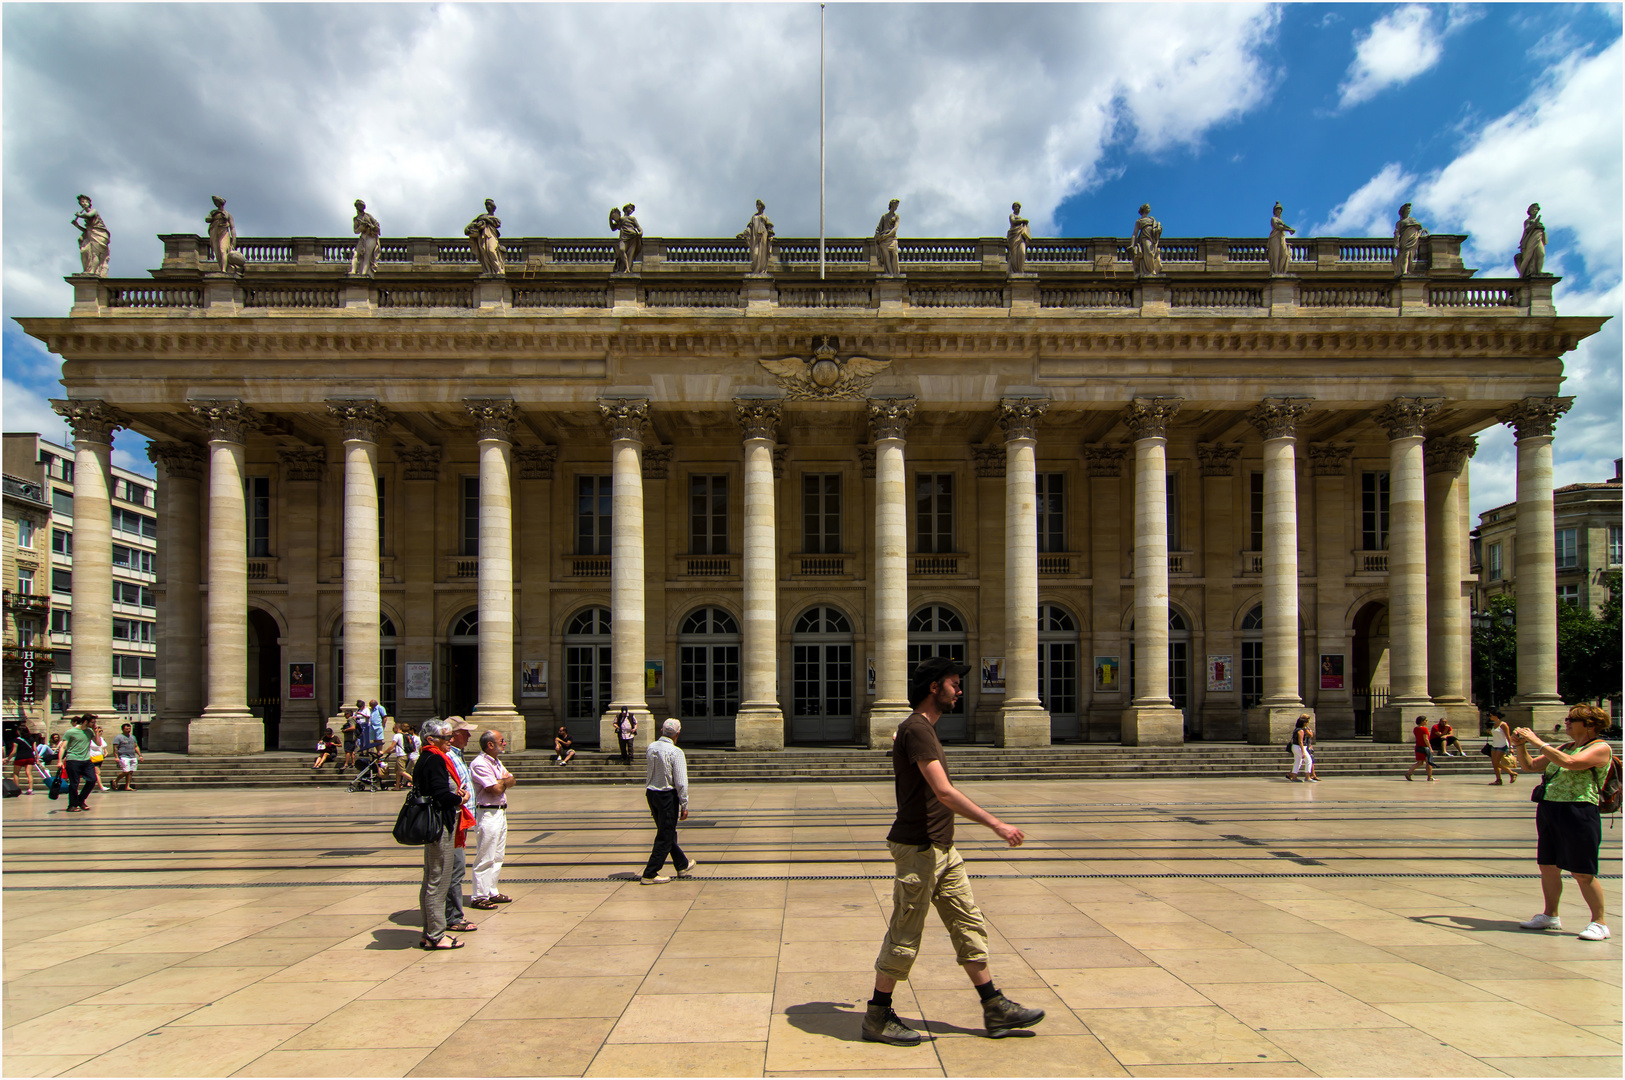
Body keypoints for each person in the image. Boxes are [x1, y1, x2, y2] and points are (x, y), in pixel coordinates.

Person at [865, 656, 1044, 1046]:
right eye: (953, 683)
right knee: (905, 933)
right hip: (919, 849)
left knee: (968, 923)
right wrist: (997, 824)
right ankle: (877, 1015)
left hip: (942, 848)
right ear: (934, 688)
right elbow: (943, 791)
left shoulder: (919, 729)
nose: (959, 690)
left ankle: (994, 1006)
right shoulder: (917, 729)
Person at [1512, 704, 1614, 941]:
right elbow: (1529, 766)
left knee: (1582, 870)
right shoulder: (1566, 747)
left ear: (1590, 725)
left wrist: (1537, 741)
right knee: (1548, 866)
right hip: (1550, 808)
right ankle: (1550, 915)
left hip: (1579, 810)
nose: (1566, 722)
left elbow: (1570, 763)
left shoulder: (1600, 748)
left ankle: (1599, 922)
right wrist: (1520, 745)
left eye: (1572, 719)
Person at [412, 719, 473, 950]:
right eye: (446, 738)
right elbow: (440, 795)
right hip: (441, 825)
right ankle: (436, 935)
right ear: (431, 740)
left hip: (434, 823)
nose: (450, 741)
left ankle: (428, 932)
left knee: (431, 878)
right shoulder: (435, 758)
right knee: (439, 880)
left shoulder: (425, 758)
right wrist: (460, 798)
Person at [641, 718, 696, 884]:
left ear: (661, 732)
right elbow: (681, 782)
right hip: (666, 795)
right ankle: (650, 873)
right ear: (678, 734)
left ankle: (682, 864)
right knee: (665, 836)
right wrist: (684, 804)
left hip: (651, 793)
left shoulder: (651, 747)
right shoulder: (675, 752)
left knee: (667, 832)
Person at [468, 729, 516, 911]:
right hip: (487, 813)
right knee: (485, 855)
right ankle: (479, 895)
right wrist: (503, 782)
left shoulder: (495, 762)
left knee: (497, 855)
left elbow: (512, 780)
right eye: (501, 740)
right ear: (490, 744)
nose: (504, 743)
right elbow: (495, 789)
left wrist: (502, 782)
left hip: (500, 812)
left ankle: (491, 890)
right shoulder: (480, 763)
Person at [441, 718, 480, 935]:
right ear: (453, 734)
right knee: (453, 870)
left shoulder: (456, 755)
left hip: (460, 821)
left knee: (454, 869)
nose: (469, 736)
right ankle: (452, 917)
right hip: (452, 821)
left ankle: (449, 914)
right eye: (465, 732)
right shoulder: (447, 757)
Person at [61, 714, 97, 812]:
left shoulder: (89, 732)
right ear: (85, 721)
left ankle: (80, 800)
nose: (94, 724)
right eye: (92, 722)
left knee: (92, 780)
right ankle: (72, 805)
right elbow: (63, 746)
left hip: (86, 760)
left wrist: (96, 732)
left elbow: (98, 743)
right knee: (74, 783)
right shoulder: (70, 732)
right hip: (73, 760)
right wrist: (60, 761)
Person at [205, 195, 247, 273]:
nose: (216, 204)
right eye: (215, 202)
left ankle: (223, 270)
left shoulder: (228, 214)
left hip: (224, 232)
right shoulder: (213, 212)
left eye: (217, 202)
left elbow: (232, 228)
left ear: (221, 203)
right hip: (214, 232)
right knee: (217, 252)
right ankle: (222, 267)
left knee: (222, 250)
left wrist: (233, 240)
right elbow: (207, 219)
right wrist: (214, 217)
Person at [72, 195, 111, 276]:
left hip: (100, 234)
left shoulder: (93, 211)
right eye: (81, 202)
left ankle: (92, 272)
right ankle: (87, 270)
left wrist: (79, 215)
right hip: (92, 234)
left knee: (95, 253)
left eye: (84, 201)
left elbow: (89, 215)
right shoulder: (86, 215)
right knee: (84, 251)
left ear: (89, 202)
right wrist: (77, 225)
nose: (83, 203)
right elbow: (88, 231)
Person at [465, 198, 504, 276]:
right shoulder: (482, 216)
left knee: (491, 250)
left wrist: (486, 219)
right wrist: (467, 228)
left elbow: (497, 224)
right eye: (486, 205)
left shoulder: (495, 219)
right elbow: (473, 224)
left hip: (491, 236)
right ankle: (488, 270)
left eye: (489, 205)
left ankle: (497, 270)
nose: (488, 207)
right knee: (484, 251)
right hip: (483, 237)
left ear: (493, 207)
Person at [737, 199, 774, 274]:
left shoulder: (766, 217)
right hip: (755, 238)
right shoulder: (754, 217)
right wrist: (744, 233)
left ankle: (762, 270)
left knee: (762, 254)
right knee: (755, 254)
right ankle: (756, 270)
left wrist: (770, 236)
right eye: (757, 205)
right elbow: (749, 227)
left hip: (763, 237)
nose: (758, 206)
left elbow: (769, 228)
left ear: (762, 207)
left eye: (759, 205)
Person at [1393, 202, 1427, 276]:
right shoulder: (1399, 222)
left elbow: (1419, 225)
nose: (1409, 210)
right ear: (1403, 211)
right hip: (1404, 239)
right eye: (1407, 208)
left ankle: (1408, 270)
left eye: (1409, 209)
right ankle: (1404, 271)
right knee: (1405, 254)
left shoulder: (1412, 219)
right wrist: (1396, 242)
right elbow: (1396, 233)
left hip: (1413, 238)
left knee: (1411, 255)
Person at [350, 199, 381, 276]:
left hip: (371, 236)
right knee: (355, 254)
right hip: (363, 237)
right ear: (356, 207)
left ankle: (364, 274)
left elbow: (377, 225)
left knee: (367, 255)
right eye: (358, 205)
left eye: (361, 205)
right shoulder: (356, 218)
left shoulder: (368, 216)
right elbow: (355, 231)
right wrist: (360, 228)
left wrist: (371, 226)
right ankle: (353, 271)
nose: (360, 207)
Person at [6, 724, 39, 795]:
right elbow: (35, 749)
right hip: (30, 757)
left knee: (16, 773)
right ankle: (30, 789)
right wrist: (37, 758)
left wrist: (8, 759)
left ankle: (17, 789)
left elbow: (14, 752)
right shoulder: (32, 739)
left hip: (20, 757)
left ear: (19, 731)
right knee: (29, 773)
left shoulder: (16, 740)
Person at [1515, 203, 1545, 278]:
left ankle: (1539, 272)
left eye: (1536, 209)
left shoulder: (1537, 221)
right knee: (1530, 255)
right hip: (1531, 239)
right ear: (1530, 211)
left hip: (1538, 238)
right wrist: (1535, 223)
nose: (1535, 210)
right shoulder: (1528, 221)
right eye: (1533, 209)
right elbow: (1527, 229)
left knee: (1541, 254)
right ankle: (1530, 271)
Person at [1488, 709, 1518, 785]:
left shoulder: (1503, 725)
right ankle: (1498, 779)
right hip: (1495, 744)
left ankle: (1512, 773)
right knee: (1494, 763)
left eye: (1491, 715)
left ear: (1495, 716)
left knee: (1496, 762)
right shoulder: (1494, 724)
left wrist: (1511, 747)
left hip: (1502, 745)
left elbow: (1508, 736)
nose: (1490, 717)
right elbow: (1496, 734)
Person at [610, 203, 643, 273]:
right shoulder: (621, 219)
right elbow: (613, 228)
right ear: (625, 208)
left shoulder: (632, 218)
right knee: (621, 250)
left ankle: (628, 269)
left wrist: (641, 231)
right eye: (630, 208)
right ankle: (627, 267)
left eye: (632, 209)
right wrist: (610, 218)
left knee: (630, 255)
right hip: (623, 237)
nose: (631, 210)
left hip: (633, 237)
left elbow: (638, 227)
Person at [1132, 203, 1163, 276]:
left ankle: (1150, 272)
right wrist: (1132, 245)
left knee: (1151, 254)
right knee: (1148, 253)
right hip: (1144, 238)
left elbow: (1156, 228)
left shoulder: (1152, 219)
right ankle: (1150, 271)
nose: (1149, 208)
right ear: (1144, 209)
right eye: (1147, 207)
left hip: (1152, 239)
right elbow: (1134, 234)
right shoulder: (1139, 221)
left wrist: (1158, 229)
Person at [110, 722, 142, 791]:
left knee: (131, 772)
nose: (129, 730)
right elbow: (115, 748)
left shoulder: (133, 737)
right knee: (126, 771)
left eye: (129, 728)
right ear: (123, 729)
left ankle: (127, 786)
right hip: (123, 756)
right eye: (127, 729)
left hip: (132, 756)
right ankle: (115, 780)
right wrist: (116, 757)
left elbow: (136, 746)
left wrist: (140, 755)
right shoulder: (118, 737)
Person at [1267, 201, 1296, 275]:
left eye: (1280, 209)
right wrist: (1289, 230)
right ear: (1275, 211)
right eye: (1277, 209)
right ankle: (1276, 272)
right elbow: (1278, 226)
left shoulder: (1281, 220)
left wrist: (1290, 229)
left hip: (1281, 237)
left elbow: (1283, 225)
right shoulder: (1273, 219)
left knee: (1285, 255)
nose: (1279, 211)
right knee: (1276, 255)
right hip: (1275, 237)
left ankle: (1281, 272)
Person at [1405, 715, 1436, 781]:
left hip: (1418, 747)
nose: (1427, 722)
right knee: (1429, 763)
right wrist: (1430, 748)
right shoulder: (1424, 729)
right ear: (1422, 722)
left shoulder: (1416, 729)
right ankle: (1430, 777)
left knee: (1420, 763)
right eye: (1426, 720)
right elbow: (1426, 739)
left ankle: (1409, 773)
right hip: (1424, 747)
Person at [875, 199, 901, 277]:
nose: (896, 207)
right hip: (883, 240)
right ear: (891, 205)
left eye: (897, 205)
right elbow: (878, 228)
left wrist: (886, 236)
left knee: (895, 255)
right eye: (896, 205)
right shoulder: (884, 216)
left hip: (892, 238)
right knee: (887, 258)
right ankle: (889, 274)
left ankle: (895, 273)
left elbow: (895, 229)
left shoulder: (896, 217)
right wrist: (878, 235)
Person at [1287, 714, 1315, 782]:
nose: (1308, 723)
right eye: (1307, 722)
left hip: (1295, 747)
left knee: (1298, 762)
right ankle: (1307, 777)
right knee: (1308, 761)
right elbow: (1300, 742)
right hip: (1299, 747)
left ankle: (1294, 776)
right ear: (1304, 723)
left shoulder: (1297, 729)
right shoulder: (1300, 731)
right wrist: (1303, 752)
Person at [1005, 202, 1031, 273]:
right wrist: (1023, 221)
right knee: (1014, 254)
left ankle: (1020, 269)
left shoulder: (1021, 219)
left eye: (1018, 207)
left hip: (1020, 237)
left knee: (1022, 252)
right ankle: (1014, 270)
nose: (1017, 208)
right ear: (1013, 208)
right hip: (1013, 236)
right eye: (1015, 206)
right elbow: (1013, 221)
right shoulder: (1012, 215)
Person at [386, 721, 412, 790]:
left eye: (394, 728)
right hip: (403, 755)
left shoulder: (397, 735)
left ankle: (416, 782)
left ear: (397, 728)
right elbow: (399, 746)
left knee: (402, 772)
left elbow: (392, 745)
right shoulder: (403, 735)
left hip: (401, 756)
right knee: (397, 772)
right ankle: (397, 786)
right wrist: (391, 751)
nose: (393, 730)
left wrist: (384, 751)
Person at [87, 720, 110, 791]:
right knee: (97, 772)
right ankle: (101, 786)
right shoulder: (91, 739)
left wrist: (105, 752)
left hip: (100, 758)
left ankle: (91, 786)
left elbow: (102, 747)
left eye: (101, 731)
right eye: (99, 731)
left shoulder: (101, 739)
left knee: (95, 773)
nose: (100, 732)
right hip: (93, 757)